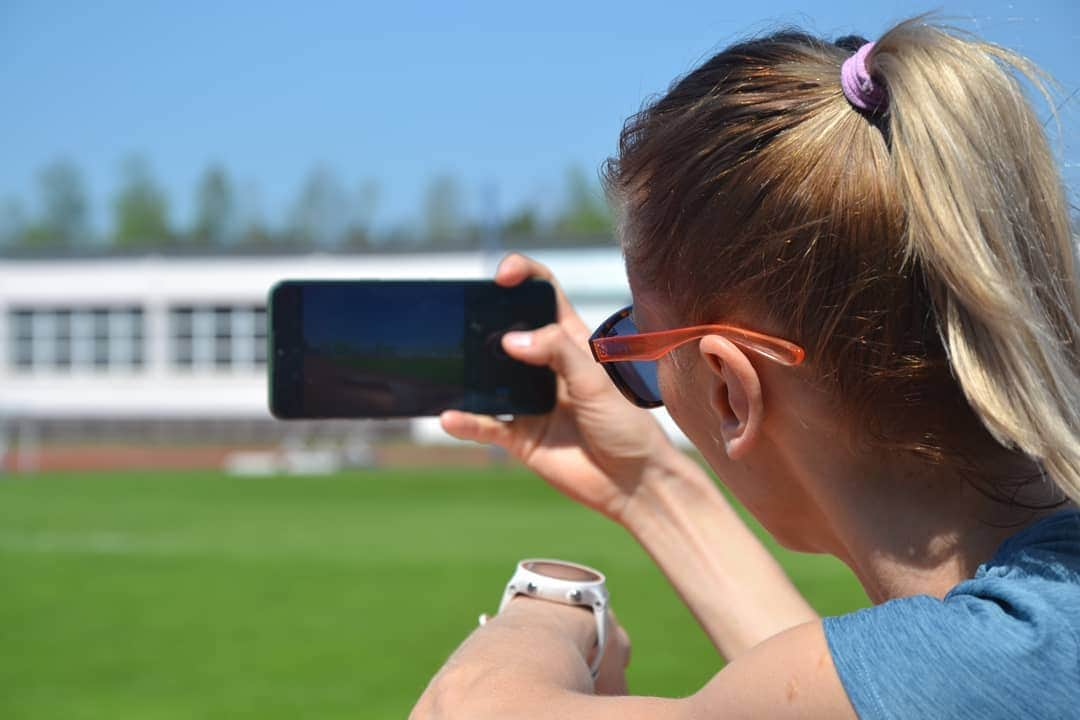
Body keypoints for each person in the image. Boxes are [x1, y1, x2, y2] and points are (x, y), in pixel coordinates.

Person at [411, 16, 1080, 719]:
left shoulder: (979, 665)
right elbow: (865, 686)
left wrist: (553, 607)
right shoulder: (1026, 628)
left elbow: (461, 708)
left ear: (730, 389)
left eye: (638, 346)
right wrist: (646, 482)